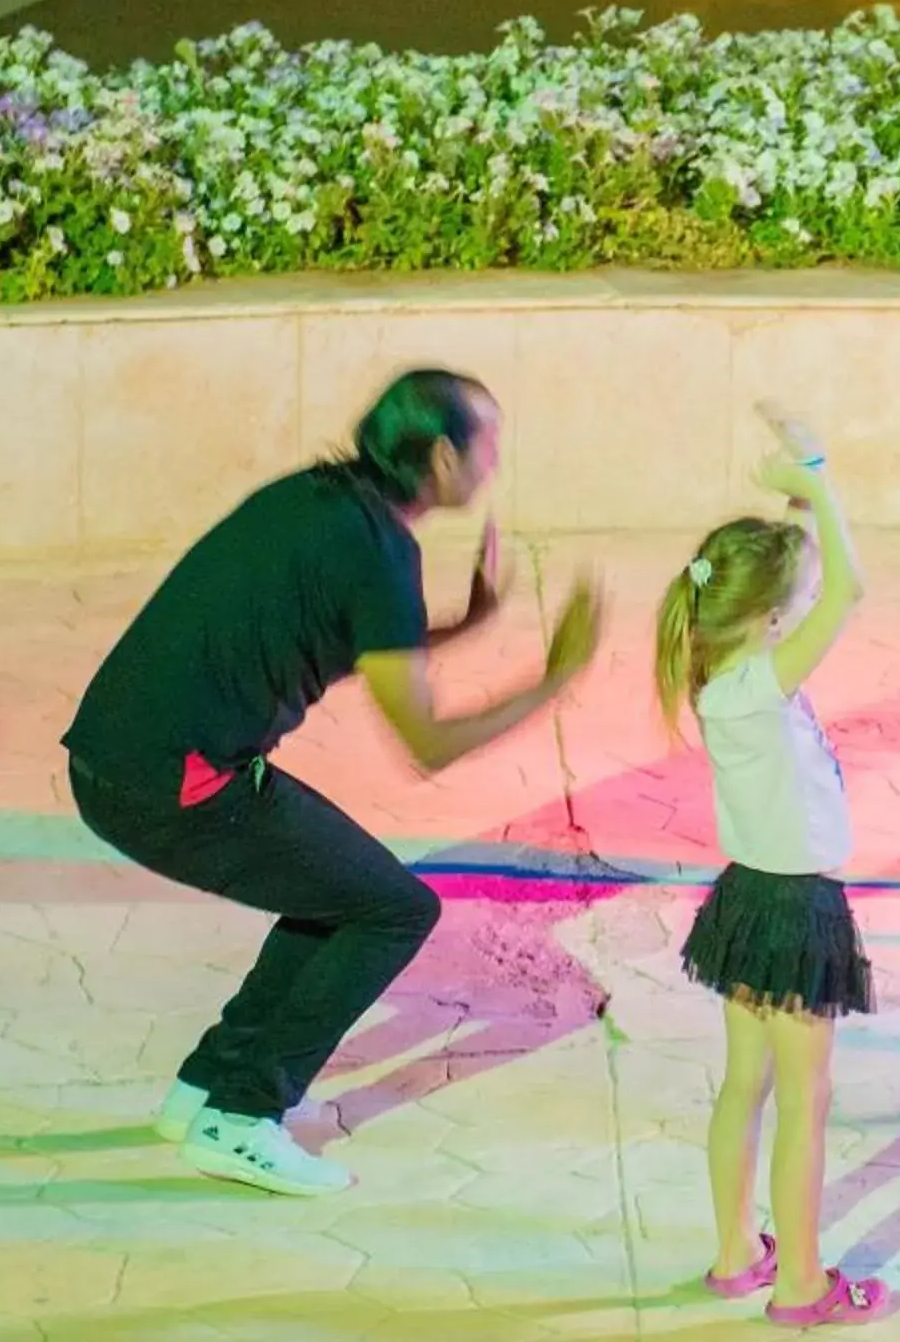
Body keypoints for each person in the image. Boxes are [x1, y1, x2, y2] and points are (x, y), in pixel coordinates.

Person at [63, 370, 603, 1196]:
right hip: (174, 788)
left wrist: (469, 625)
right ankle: (240, 1119)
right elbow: (428, 742)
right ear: (441, 459)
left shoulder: (317, 500)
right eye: (485, 442)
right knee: (393, 909)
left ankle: (208, 1087)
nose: (496, 459)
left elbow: (352, 631)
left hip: (118, 756)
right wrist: (551, 679)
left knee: (344, 891)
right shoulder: (382, 552)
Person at [658, 406, 900, 1329]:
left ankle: (736, 1255)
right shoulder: (762, 684)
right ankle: (801, 1283)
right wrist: (817, 472)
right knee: (805, 1099)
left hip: (746, 902)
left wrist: (800, 503)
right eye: (794, 602)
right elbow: (850, 590)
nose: (810, 605)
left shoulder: (724, 673)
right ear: (768, 620)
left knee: (745, 1084)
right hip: (796, 911)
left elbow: (811, 579)